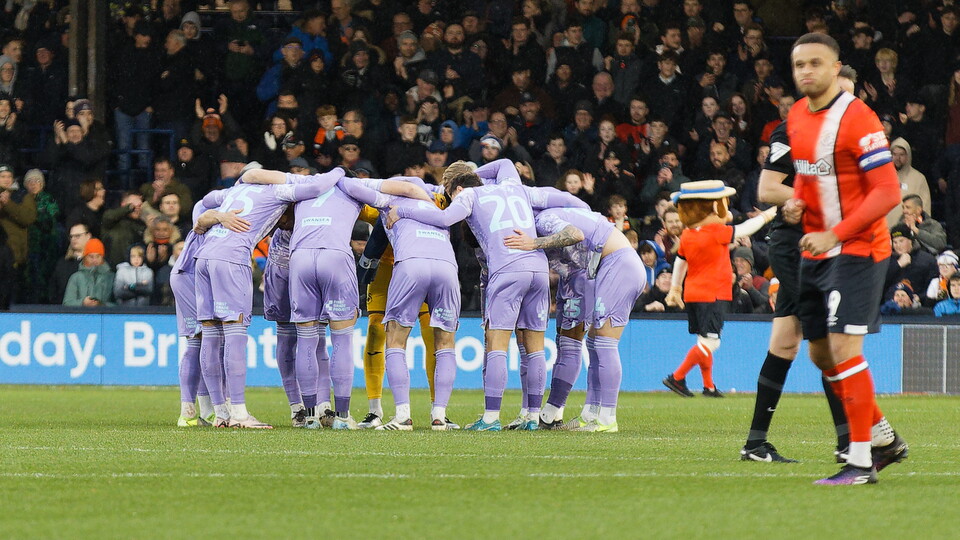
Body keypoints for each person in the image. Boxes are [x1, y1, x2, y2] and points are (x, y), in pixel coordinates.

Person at [784, 33, 907, 485]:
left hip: (858, 249)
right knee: (820, 355)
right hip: (816, 250)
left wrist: (835, 232)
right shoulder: (796, 115)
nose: (806, 72)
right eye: (799, 65)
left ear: (837, 68)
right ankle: (884, 439)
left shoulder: (858, 118)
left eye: (816, 63)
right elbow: (808, 177)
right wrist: (795, 204)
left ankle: (859, 463)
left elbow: (888, 192)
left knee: (844, 350)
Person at [386, 160, 586, 430]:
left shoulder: (469, 194)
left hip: (507, 268)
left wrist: (404, 210)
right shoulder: (515, 186)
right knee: (535, 347)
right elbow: (505, 163)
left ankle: (491, 417)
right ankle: (531, 416)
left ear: (455, 187)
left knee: (496, 344)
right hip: (538, 268)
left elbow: (445, 218)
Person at [738, 64, 863, 464]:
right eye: (838, 93)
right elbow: (768, 186)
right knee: (826, 342)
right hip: (796, 251)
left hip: (830, 247)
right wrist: (798, 200)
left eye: (850, 96)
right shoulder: (794, 128)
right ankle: (850, 441)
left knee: (785, 344)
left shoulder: (854, 135)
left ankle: (756, 443)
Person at [192, 166, 360, 429]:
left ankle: (222, 412)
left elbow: (203, 203)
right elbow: (311, 186)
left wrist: (212, 218)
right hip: (255, 262)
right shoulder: (280, 191)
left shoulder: (238, 190)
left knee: (213, 335)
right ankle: (268, 410)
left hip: (205, 258)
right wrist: (339, 171)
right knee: (259, 335)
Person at [285, 172, 430, 430]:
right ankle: (341, 417)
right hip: (335, 257)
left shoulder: (305, 184)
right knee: (341, 339)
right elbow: (399, 190)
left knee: (306, 340)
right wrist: (421, 196)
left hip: (300, 257)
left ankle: (308, 417)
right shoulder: (354, 187)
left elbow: (258, 179)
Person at [505, 204, 646, 432]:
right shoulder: (555, 213)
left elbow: (574, 234)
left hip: (617, 265)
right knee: (593, 343)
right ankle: (591, 414)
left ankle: (607, 419)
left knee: (604, 343)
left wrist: (533, 243)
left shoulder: (544, 220)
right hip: (606, 267)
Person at [663, 181, 776, 398]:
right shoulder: (715, 231)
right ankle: (677, 377)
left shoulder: (688, 235)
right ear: (714, 207)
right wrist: (768, 215)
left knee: (704, 339)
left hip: (694, 294)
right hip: (712, 294)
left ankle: (709, 386)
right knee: (711, 342)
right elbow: (744, 229)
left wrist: (675, 288)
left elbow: (680, 262)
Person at [63, 238, 115, 307]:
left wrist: (102, 305)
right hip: (81, 317)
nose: (94, 260)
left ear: (102, 257)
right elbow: (66, 303)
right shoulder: (75, 277)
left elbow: (119, 305)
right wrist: (82, 303)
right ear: (85, 257)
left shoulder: (111, 277)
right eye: (91, 256)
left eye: (98, 256)